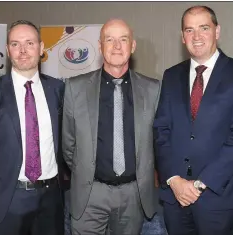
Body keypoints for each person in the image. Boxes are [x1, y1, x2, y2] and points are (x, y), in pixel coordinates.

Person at [153, 5, 233, 235]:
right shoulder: (171, 76)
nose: (197, 36)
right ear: (182, 37)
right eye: (189, 30)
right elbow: (161, 131)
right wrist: (174, 180)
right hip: (175, 197)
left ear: (217, 31)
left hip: (217, 198)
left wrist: (200, 184)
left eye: (204, 28)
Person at [62, 18, 160, 235]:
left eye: (123, 39)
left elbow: (158, 143)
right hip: (90, 194)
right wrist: (86, 171)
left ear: (132, 46)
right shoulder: (74, 88)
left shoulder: (153, 89)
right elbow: (68, 146)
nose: (117, 46)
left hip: (133, 195)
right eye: (110, 39)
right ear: (100, 46)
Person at [0, 20, 65, 235]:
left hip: (51, 199)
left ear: (41, 48)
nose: (22, 51)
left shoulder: (58, 89)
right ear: (7, 50)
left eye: (29, 43)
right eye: (15, 44)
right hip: (9, 198)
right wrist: (5, 171)